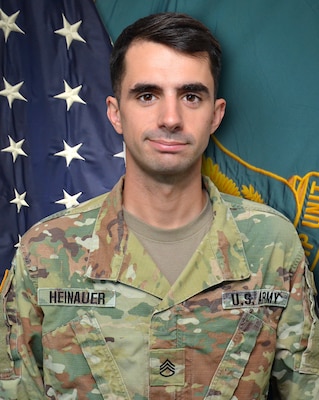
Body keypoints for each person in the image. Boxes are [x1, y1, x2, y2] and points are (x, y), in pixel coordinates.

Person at [1, 12, 319, 400]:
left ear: (216, 115)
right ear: (115, 112)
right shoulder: (46, 251)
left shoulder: (272, 244)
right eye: (147, 95)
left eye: (191, 96)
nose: (171, 118)